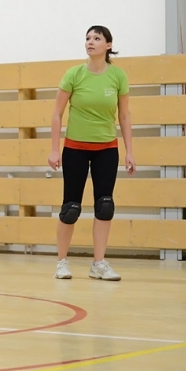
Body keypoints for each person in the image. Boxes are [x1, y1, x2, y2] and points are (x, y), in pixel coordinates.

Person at [48, 25, 135, 281]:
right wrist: (54, 149)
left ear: (108, 45)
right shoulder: (74, 74)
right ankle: (61, 263)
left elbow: (125, 116)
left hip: (106, 149)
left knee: (105, 206)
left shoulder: (118, 76)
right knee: (71, 208)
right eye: (88, 38)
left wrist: (130, 151)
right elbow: (57, 113)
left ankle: (99, 264)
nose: (90, 41)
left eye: (97, 38)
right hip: (75, 149)